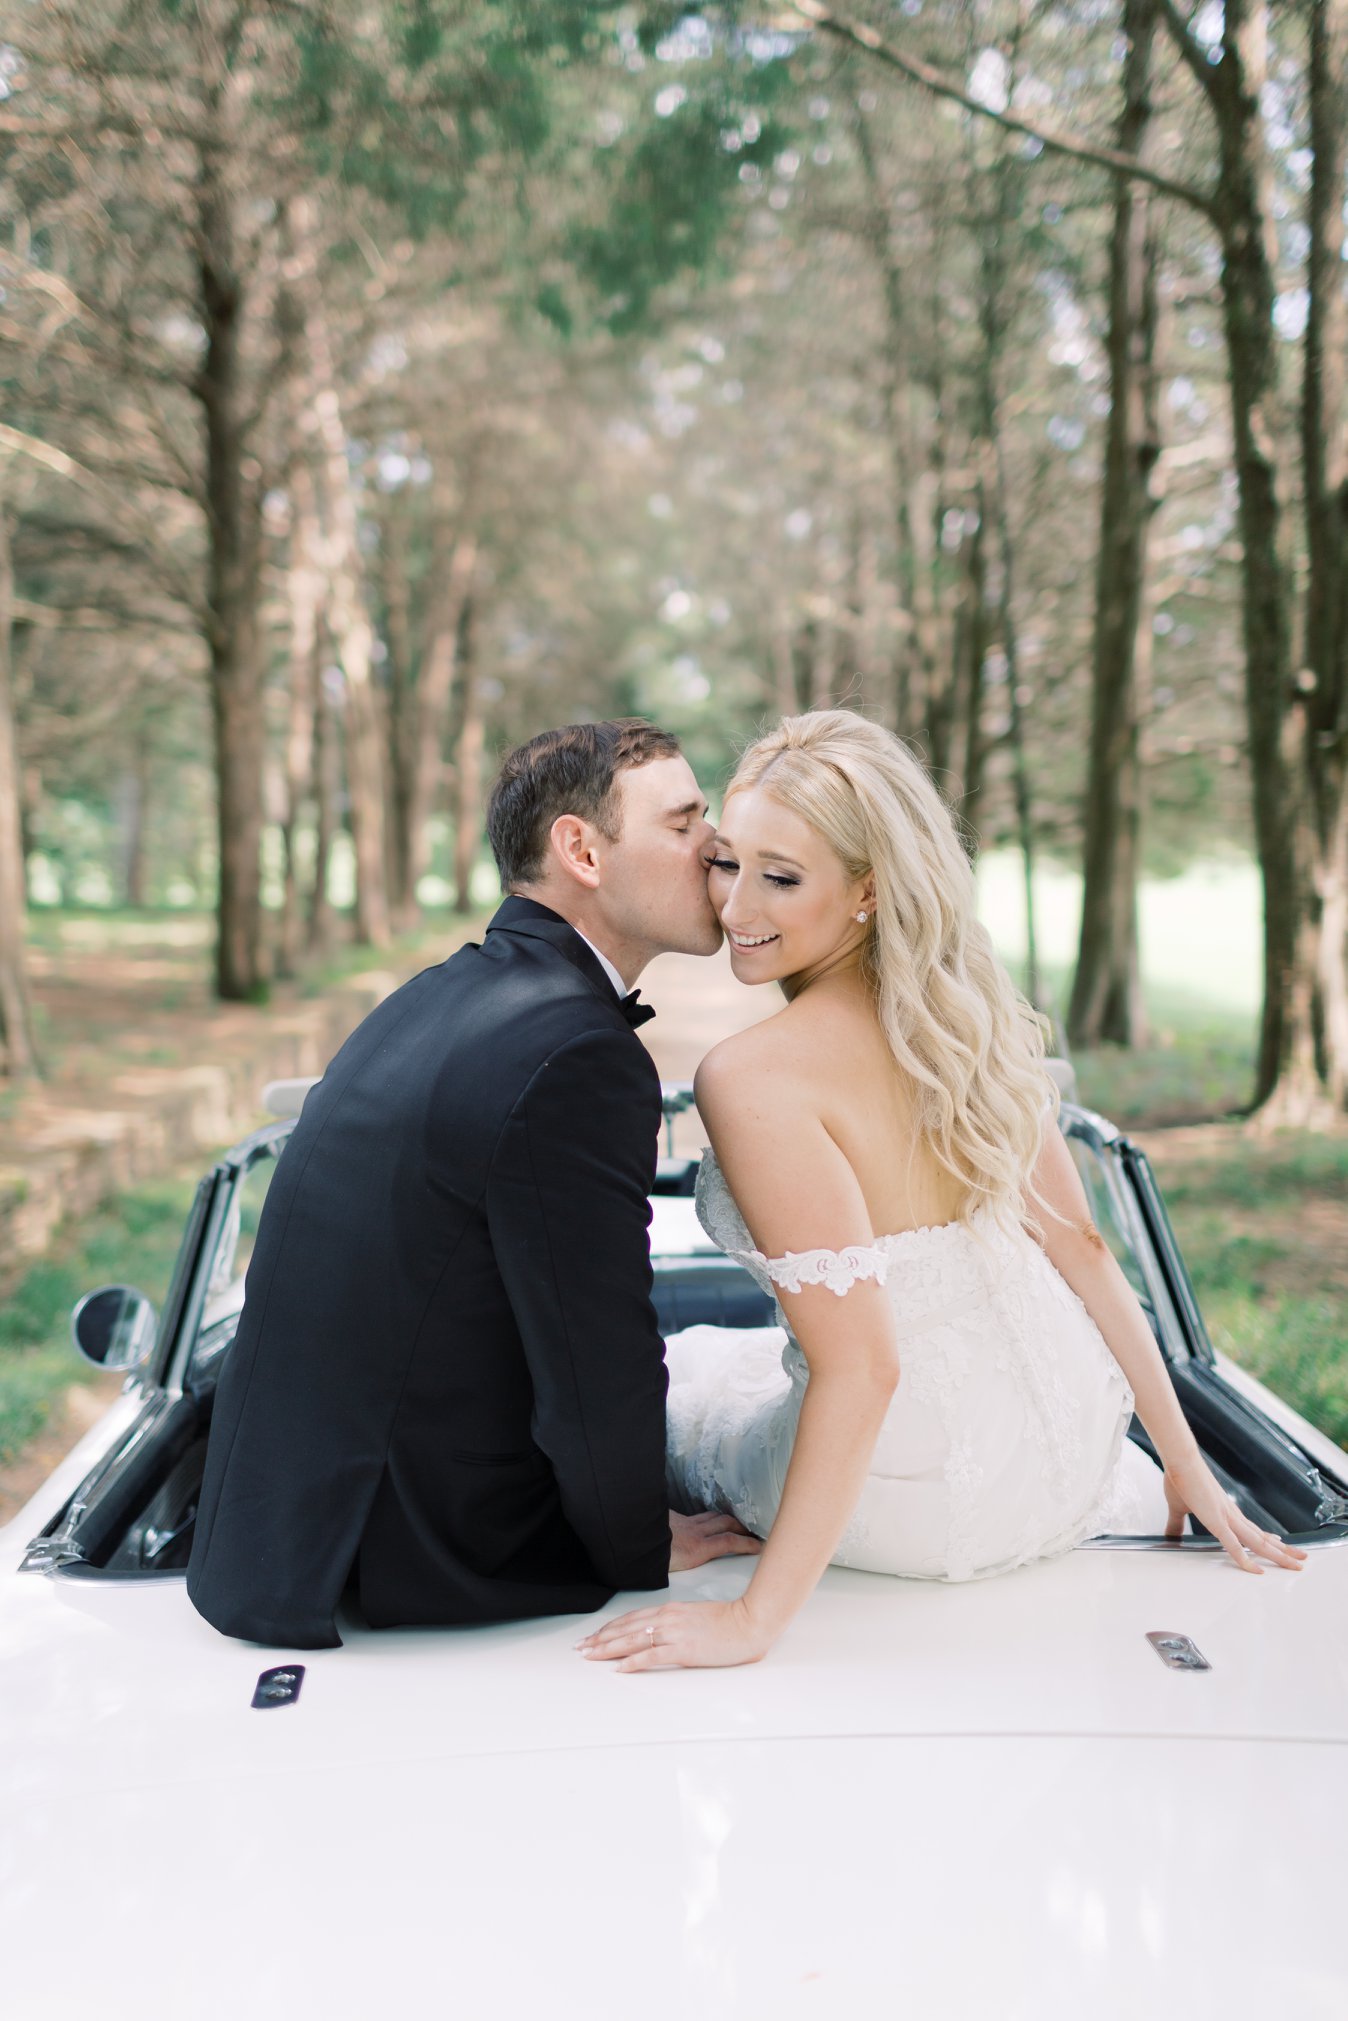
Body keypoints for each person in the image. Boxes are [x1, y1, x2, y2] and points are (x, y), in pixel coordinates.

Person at [577, 711, 1306, 1674]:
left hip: (908, 1496)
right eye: (726, 861)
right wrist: (1178, 1457)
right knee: (740, 1364)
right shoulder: (968, 1025)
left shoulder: (753, 1077)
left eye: (782, 877)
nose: (736, 904)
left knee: (688, 1383)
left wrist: (754, 1620)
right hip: (1064, 1457)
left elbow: (866, 1369)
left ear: (868, 891)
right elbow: (1083, 1251)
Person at [188, 719, 758, 1649]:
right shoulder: (578, 1047)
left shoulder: (437, 995)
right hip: (418, 1552)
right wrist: (634, 1541)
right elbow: (594, 1350)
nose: (717, 848)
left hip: (279, 1535)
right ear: (581, 848)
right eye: (686, 820)